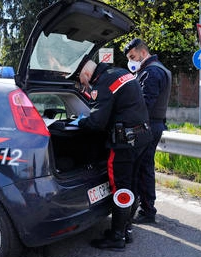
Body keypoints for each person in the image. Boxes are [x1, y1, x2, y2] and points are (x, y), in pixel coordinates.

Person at [69, 58, 153, 251]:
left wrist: (77, 122)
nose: (85, 85)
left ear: (87, 74)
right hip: (142, 138)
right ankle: (126, 230)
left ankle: (117, 237)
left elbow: (97, 122)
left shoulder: (104, 83)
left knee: (121, 187)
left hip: (125, 143)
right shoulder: (119, 73)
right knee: (131, 184)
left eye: (82, 81)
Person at [123, 38, 172, 224]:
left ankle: (147, 211)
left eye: (132, 56)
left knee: (143, 168)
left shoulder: (151, 72)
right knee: (146, 166)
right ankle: (146, 207)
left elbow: (144, 104)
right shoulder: (160, 69)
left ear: (143, 52)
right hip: (155, 125)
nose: (131, 61)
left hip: (148, 126)